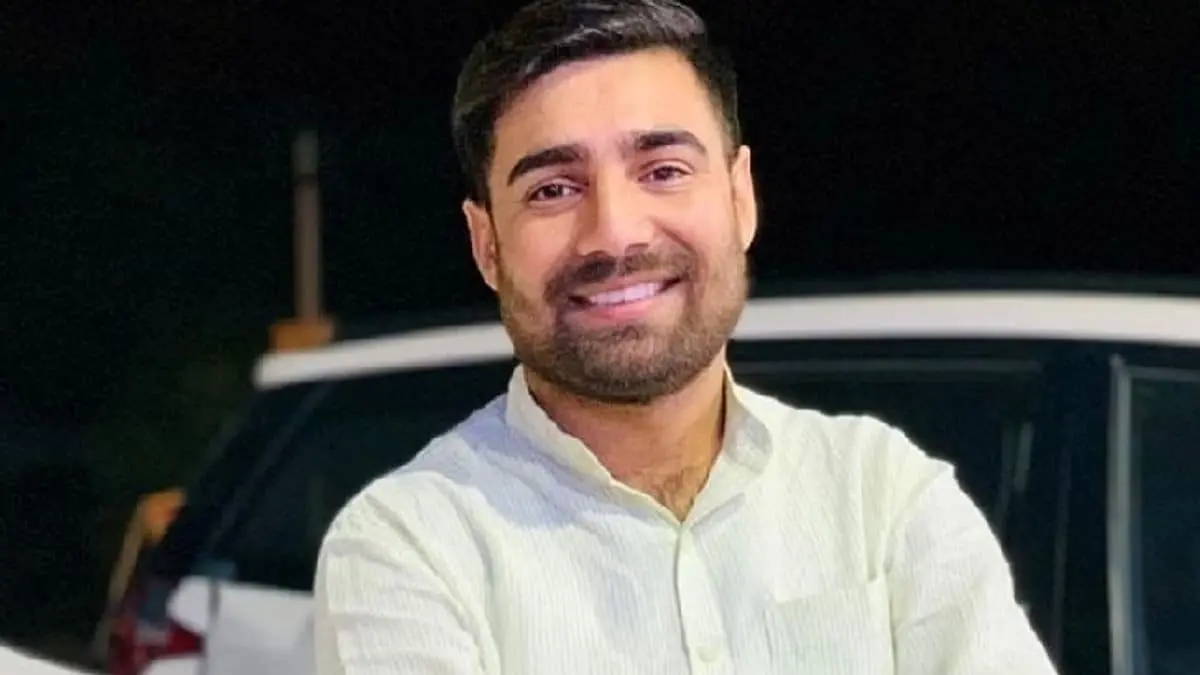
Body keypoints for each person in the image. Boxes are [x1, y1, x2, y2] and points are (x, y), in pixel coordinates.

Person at [313, 0, 1059, 672]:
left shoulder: (881, 495)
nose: (615, 232)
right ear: (486, 246)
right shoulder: (409, 547)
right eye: (553, 189)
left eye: (663, 170)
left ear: (740, 197)